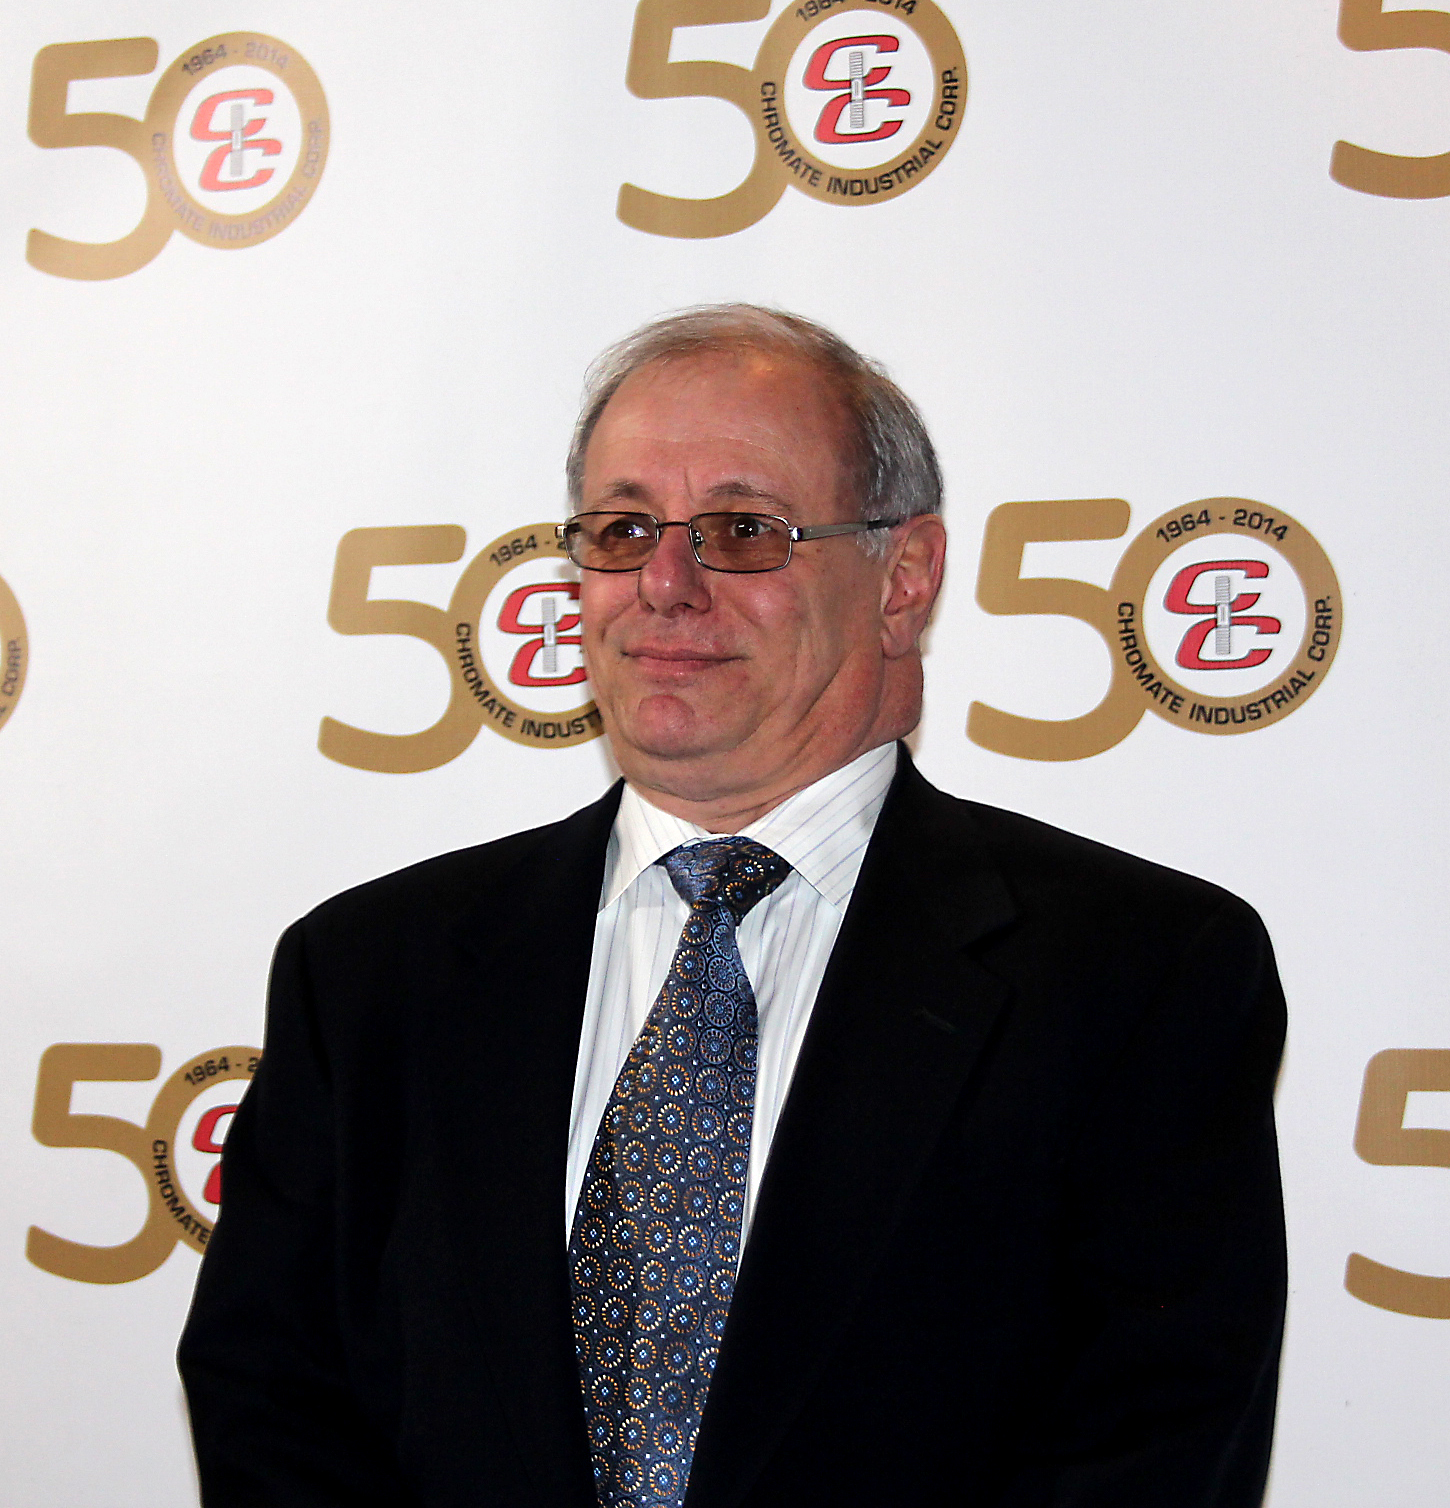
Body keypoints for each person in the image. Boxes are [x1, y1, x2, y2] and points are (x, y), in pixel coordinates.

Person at [179, 305, 1287, 1508]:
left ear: (903, 578)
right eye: (622, 530)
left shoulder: (1140, 973)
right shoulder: (367, 973)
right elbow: (272, 1404)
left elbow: (1149, 1444)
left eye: (742, 531)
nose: (664, 583)